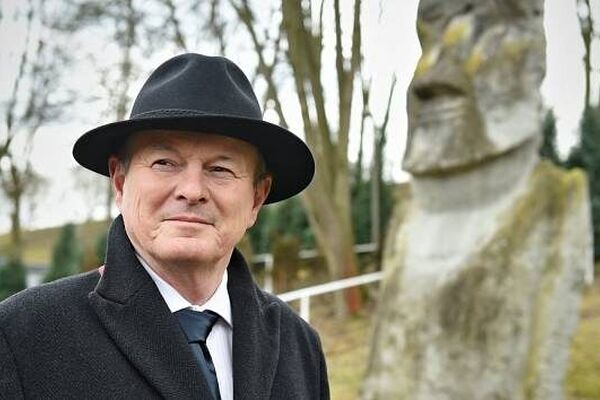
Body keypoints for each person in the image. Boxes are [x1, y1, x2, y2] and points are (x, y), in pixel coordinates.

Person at [0, 53, 329, 399]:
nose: (192, 190)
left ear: (256, 199)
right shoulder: (23, 337)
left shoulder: (300, 346)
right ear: (120, 182)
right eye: (165, 163)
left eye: (220, 169)